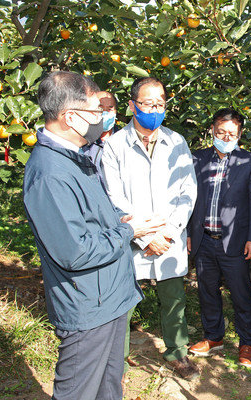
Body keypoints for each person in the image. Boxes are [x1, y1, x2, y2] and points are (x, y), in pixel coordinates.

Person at [23, 71, 164, 399]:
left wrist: (119, 217)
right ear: (70, 117)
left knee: (108, 384)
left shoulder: (75, 158)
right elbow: (75, 251)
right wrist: (130, 230)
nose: (102, 116)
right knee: (79, 390)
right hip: (87, 305)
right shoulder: (50, 174)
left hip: (108, 298)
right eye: (95, 109)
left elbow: (88, 214)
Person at [102, 77, 199, 380]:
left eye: (160, 103)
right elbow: (112, 197)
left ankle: (177, 353)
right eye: (147, 103)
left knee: (173, 299)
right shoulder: (115, 145)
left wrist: (169, 232)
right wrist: (144, 237)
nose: (155, 109)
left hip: (169, 237)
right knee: (124, 299)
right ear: (132, 105)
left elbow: (188, 191)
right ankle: (116, 357)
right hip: (133, 237)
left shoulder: (177, 142)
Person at [187, 108, 251, 367]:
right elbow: (187, 199)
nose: (225, 136)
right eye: (221, 131)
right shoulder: (197, 159)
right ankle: (214, 337)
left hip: (234, 241)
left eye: (232, 133)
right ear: (212, 130)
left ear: (240, 134)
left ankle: (247, 343)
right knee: (207, 290)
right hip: (203, 239)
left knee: (241, 293)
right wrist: (188, 233)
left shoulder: (249, 162)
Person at [84, 90, 117, 185]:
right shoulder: (82, 143)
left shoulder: (124, 141)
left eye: (110, 109)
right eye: (101, 108)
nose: (105, 113)